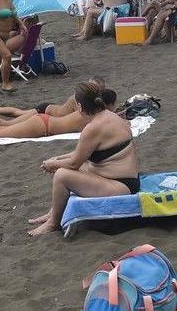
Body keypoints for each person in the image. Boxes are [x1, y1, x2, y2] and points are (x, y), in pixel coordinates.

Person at [25, 80, 137, 235]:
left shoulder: (93, 127)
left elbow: (73, 164)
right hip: (124, 179)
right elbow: (82, 153)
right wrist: (57, 159)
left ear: (79, 106)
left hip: (121, 187)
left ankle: (53, 223)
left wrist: (53, 165)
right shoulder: (111, 117)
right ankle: (52, 214)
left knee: (62, 175)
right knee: (69, 168)